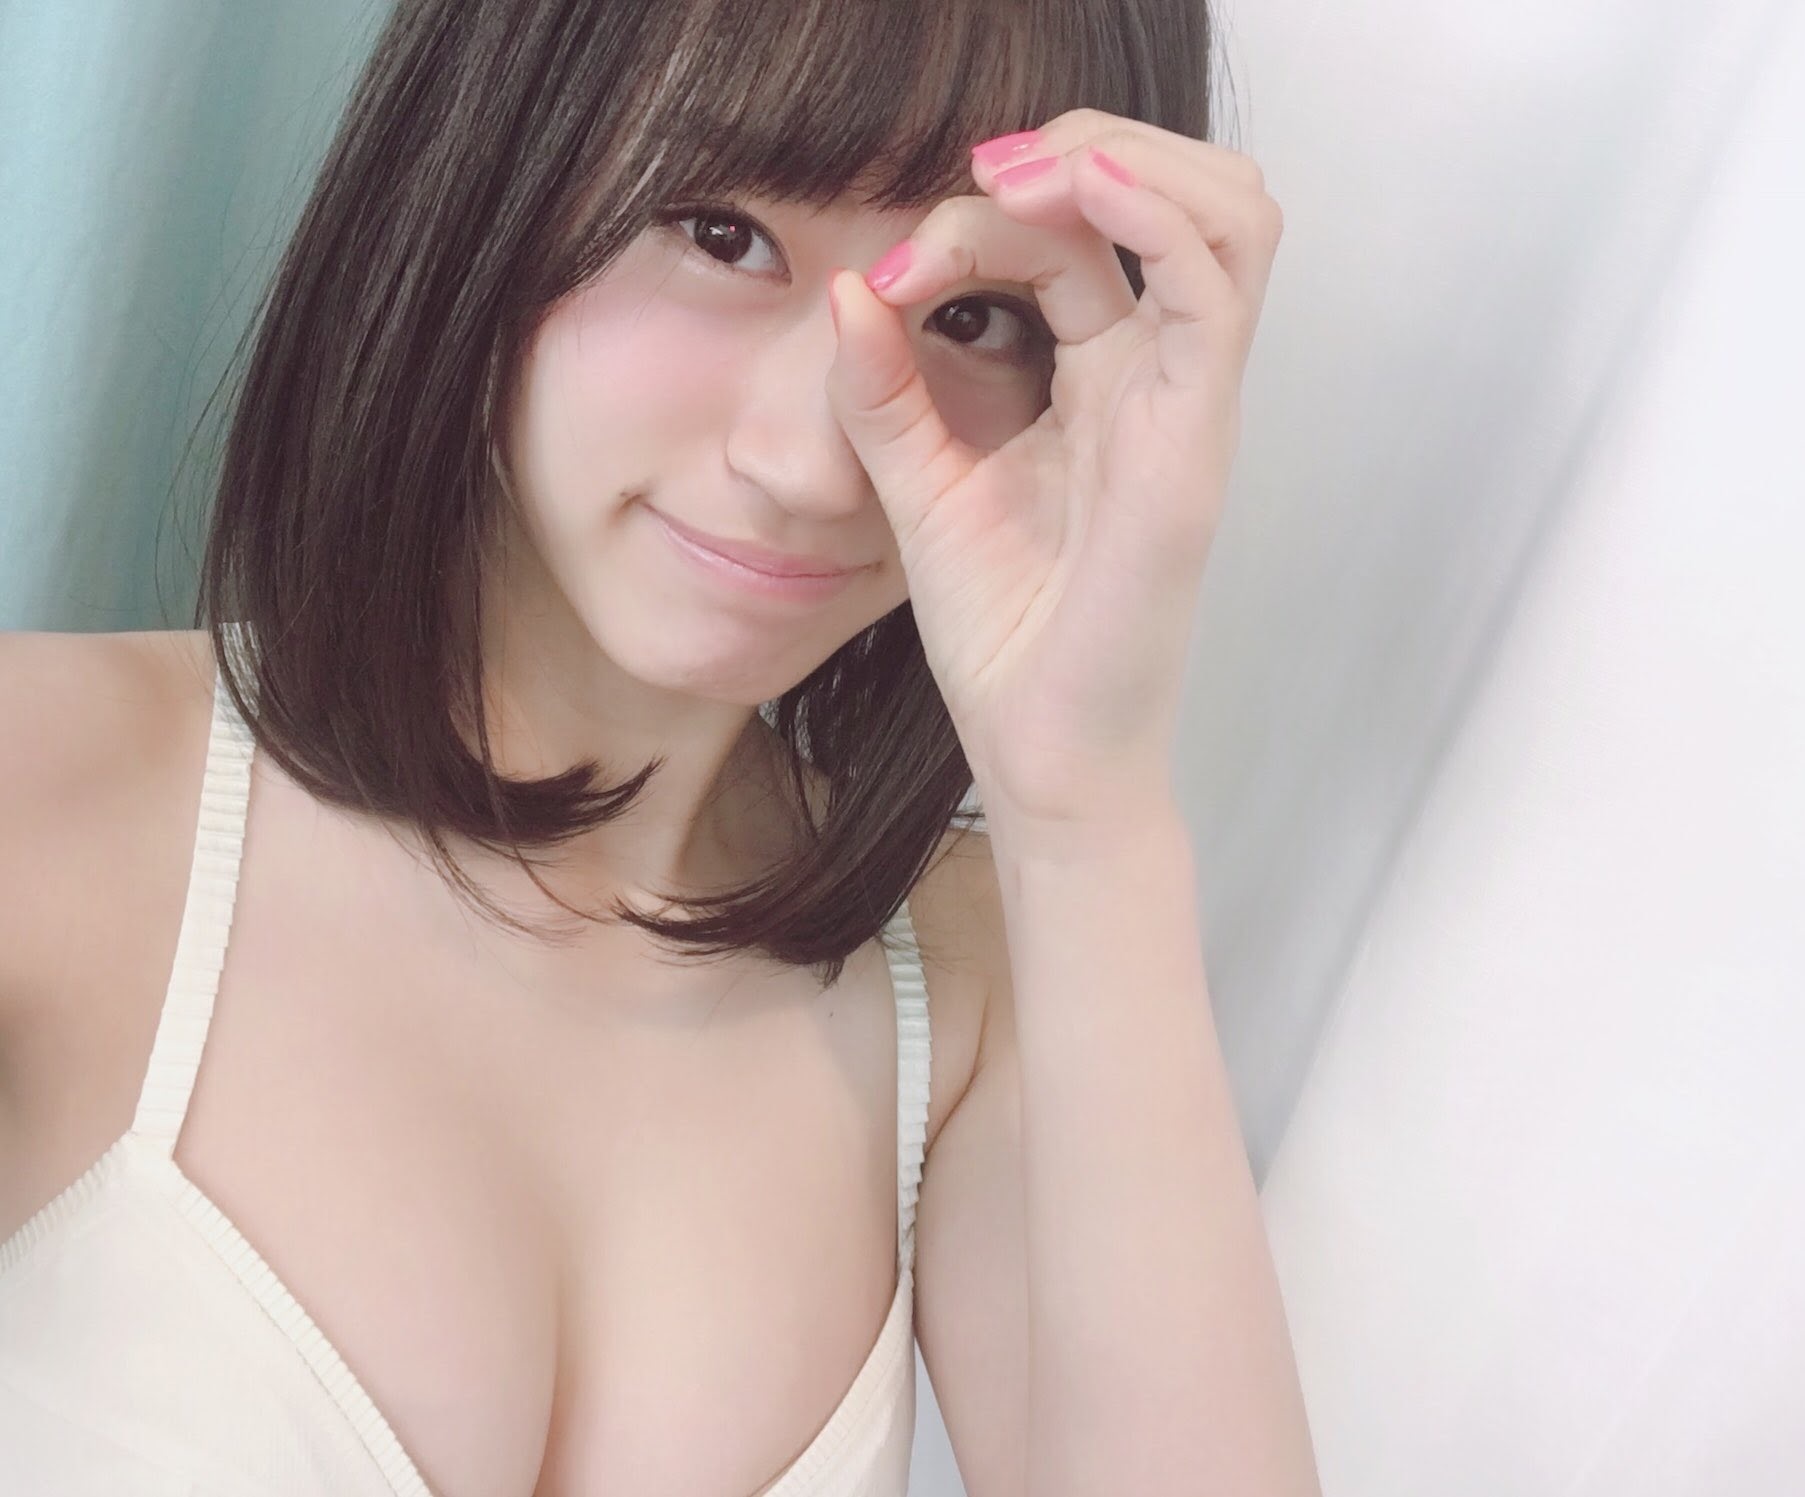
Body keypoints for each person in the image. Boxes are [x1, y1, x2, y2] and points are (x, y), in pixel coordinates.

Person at [0, 1, 1315, 1494]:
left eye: (968, 316)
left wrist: (1085, 804)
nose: (812, 461)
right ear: (486, 168)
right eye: (721, 235)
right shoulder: (49, 793)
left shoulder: (973, 986)